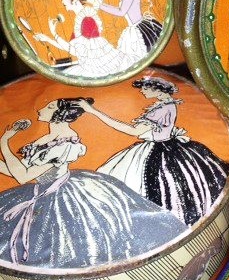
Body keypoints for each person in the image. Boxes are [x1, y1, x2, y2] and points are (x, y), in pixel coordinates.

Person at [0, 98, 187, 269]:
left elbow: (22, 175)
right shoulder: (46, 140)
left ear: (61, 114)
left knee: (68, 246)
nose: (41, 109)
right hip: (39, 191)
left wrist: (4, 141)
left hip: (62, 197)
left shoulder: (66, 144)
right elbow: (13, 171)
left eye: (49, 107)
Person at [77, 76, 229, 226]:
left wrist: (92, 111)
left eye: (145, 88)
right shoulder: (167, 104)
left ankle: (158, 225)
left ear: (157, 89)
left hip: (160, 152)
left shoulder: (162, 109)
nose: (142, 91)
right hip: (169, 147)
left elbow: (132, 130)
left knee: (155, 187)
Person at [34, 0, 131, 77]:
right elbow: (68, 47)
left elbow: (73, 50)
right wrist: (47, 39)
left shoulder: (87, 19)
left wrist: (54, 33)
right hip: (90, 66)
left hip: (99, 68)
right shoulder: (80, 20)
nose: (62, 1)